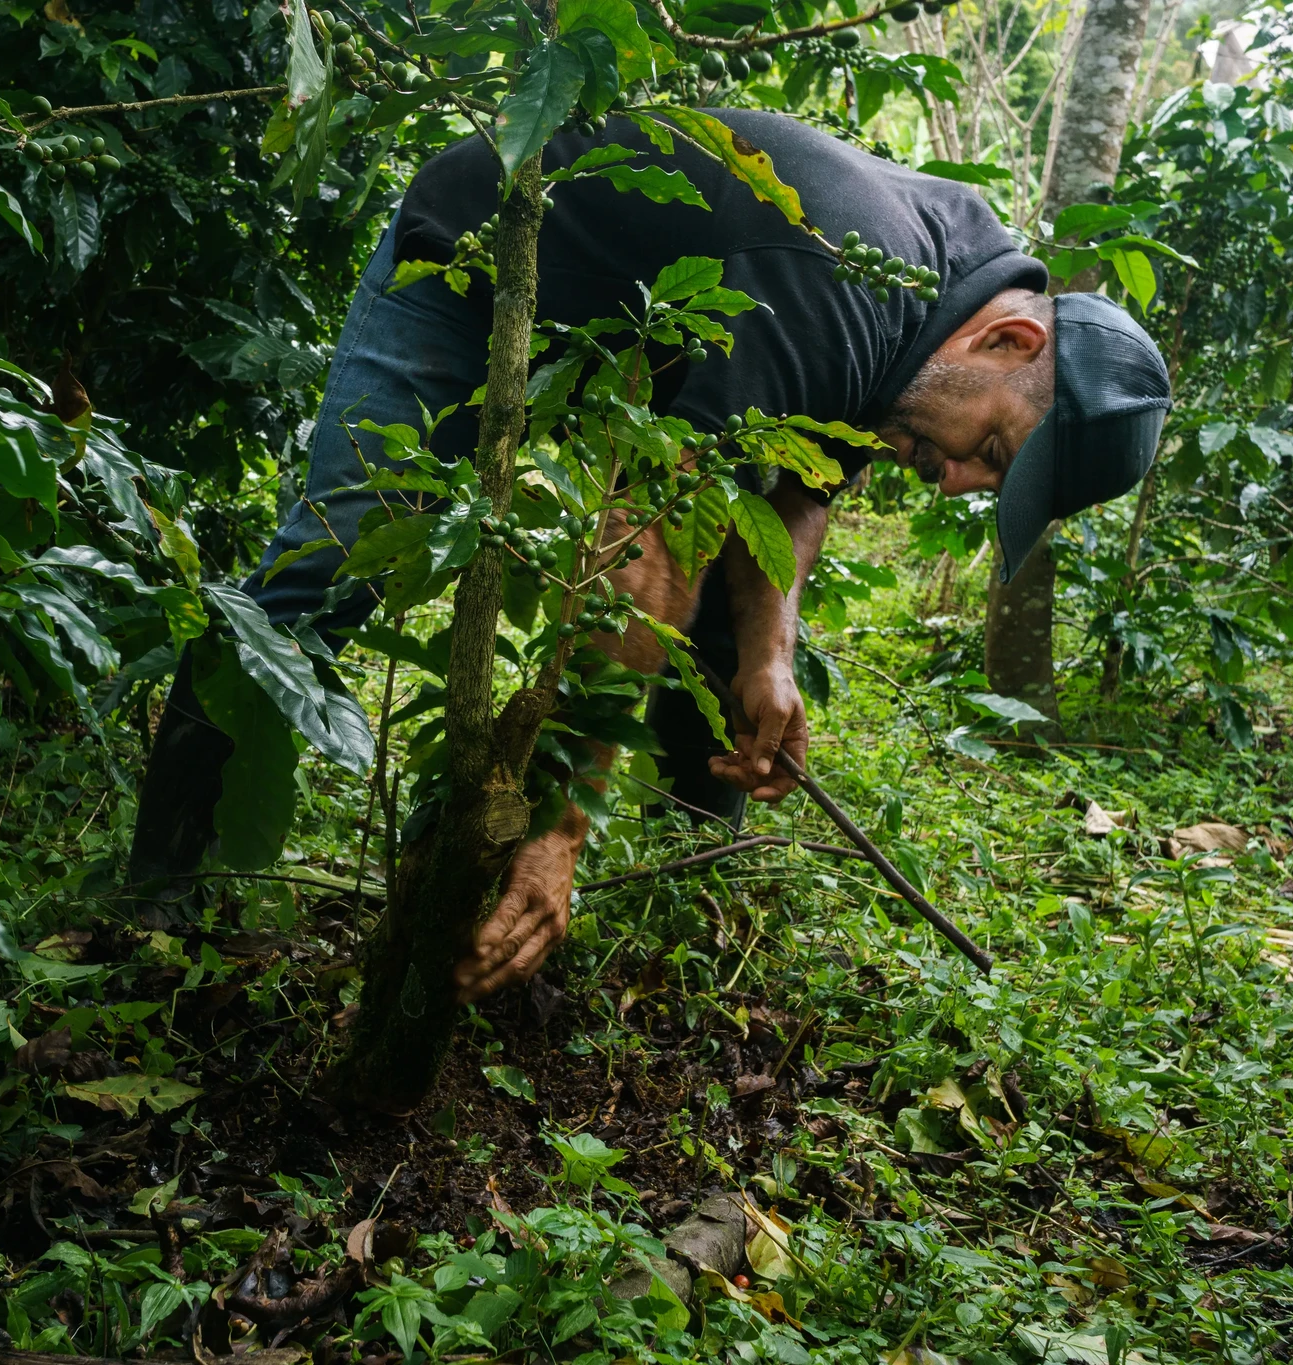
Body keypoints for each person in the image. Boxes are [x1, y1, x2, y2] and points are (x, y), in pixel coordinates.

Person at [128, 109, 1171, 1000]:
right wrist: (558, 827)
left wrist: (771, 652)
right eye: (989, 452)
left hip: (636, 331)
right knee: (335, 555)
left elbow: (801, 474)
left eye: (989, 483)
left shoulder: (947, 303)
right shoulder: (840, 274)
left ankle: (679, 901)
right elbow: (650, 543)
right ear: (1010, 345)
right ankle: (155, 900)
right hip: (473, 258)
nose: (954, 483)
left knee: (728, 645)